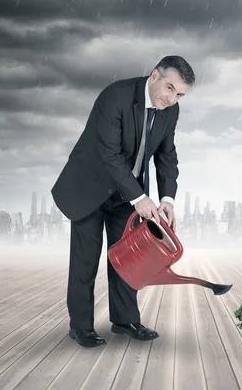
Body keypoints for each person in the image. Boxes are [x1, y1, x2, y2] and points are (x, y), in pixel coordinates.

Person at [51, 55, 195, 348]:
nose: (172, 98)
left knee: (129, 260)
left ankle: (125, 320)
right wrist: (140, 197)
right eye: (169, 88)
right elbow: (109, 155)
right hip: (89, 189)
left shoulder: (170, 111)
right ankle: (80, 327)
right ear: (154, 76)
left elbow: (166, 156)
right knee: (85, 263)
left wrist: (167, 199)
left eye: (180, 94)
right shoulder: (115, 96)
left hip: (125, 196)